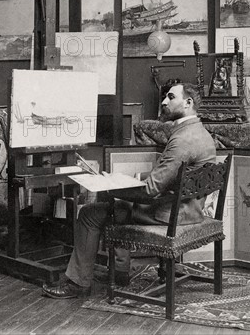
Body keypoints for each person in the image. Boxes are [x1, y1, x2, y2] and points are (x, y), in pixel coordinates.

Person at [42, 83, 217, 299]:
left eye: (171, 97)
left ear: (188, 103)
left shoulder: (181, 140)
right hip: (190, 209)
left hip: (170, 215)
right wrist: (136, 178)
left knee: (90, 213)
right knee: (118, 205)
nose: (164, 102)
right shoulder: (200, 133)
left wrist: (113, 188)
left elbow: (152, 190)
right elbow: (171, 175)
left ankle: (78, 283)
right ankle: (121, 273)